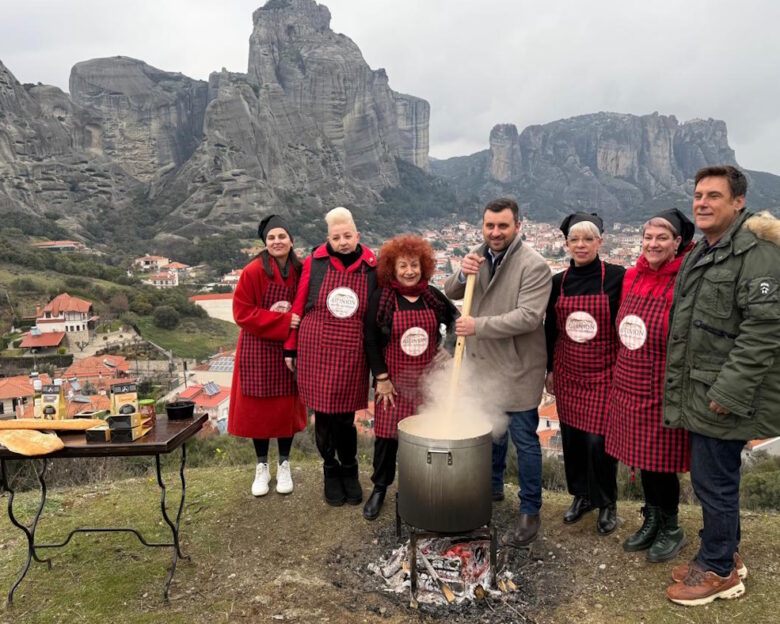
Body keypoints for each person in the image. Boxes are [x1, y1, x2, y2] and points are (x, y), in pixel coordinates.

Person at [663, 166, 780, 606]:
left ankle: (717, 571)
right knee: (716, 478)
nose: (703, 202)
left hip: (724, 396)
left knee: (715, 482)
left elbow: (763, 333)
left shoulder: (758, 255)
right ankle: (724, 552)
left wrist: (727, 394)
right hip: (702, 389)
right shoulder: (703, 249)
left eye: (714, 195)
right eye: (698, 195)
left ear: (738, 202)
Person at [444, 197, 552, 547]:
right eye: (489, 225)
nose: (495, 232)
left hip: (517, 367)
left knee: (525, 440)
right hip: (483, 366)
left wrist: (478, 325)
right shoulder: (477, 254)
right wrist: (462, 272)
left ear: (518, 226)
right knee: (489, 435)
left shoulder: (533, 265)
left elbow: (528, 317)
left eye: (502, 226)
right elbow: (451, 291)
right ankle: (491, 490)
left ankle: (530, 511)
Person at [605, 208, 695, 562]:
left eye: (662, 238)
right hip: (629, 378)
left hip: (663, 383)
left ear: (677, 243)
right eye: (648, 237)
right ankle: (652, 517)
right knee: (642, 460)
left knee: (661, 462)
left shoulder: (684, 279)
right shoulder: (631, 277)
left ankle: (671, 526)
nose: (652, 244)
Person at [284, 207, 377, 507]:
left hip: (352, 351)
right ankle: (330, 470)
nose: (343, 242)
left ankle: (350, 470)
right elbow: (299, 306)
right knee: (323, 416)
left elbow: (380, 311)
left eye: (348, 236)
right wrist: (290, 346)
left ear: (358, 235)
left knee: (346, 418)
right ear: (328, 238)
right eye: (336, 237)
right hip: (316, 348)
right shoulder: (316, 262)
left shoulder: (372, 267)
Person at [362, 235, 458, 520]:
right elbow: (370, 339)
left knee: (426, 439)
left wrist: (448, 348)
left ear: (423, 266)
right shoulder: (383, 298)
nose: (409, 271)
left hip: (428, 383)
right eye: (402, 265)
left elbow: (455, 321)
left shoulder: (432, 296)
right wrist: (381, 378)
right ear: (392, 268)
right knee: (386, 439)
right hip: (392, 383)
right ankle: (380, 488)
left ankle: (422, 487)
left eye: (414, 265)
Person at [544, 212, 624, 535]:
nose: (581, 245)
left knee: (599, 441)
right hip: (567, 371)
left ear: (600, 242)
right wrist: (549, 368)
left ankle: (607, 502)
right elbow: (551, 329)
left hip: (604, 371)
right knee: (573, 439)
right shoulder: (557, 282)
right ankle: (581, 496)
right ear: (566, 244)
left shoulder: (617, 277)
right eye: (575, 240)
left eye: (588, 239)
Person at [228, 215, 306, 496]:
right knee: (258, 411)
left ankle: (284, 463)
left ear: (291, 239)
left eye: (282, 236)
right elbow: (242, 313)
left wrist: (294, 332)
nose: (277, 242)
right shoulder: (252, 272)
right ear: (265, 242)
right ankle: (262, 466)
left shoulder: (300, 270)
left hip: (289, 348)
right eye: (271, 238)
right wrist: (285, 323)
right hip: (258, 348)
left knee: (285, 408)